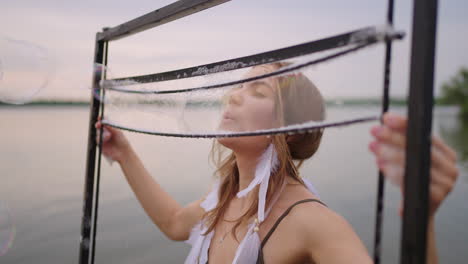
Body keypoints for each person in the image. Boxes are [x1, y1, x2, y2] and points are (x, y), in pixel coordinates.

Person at [95, 63, 459, 264]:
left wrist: (421, 219)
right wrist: (124, 154)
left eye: (257, 92)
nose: (234, 95)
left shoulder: (311, 221)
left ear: (289, 128)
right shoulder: (226, 195)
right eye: (240, 86)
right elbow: (175, 224)